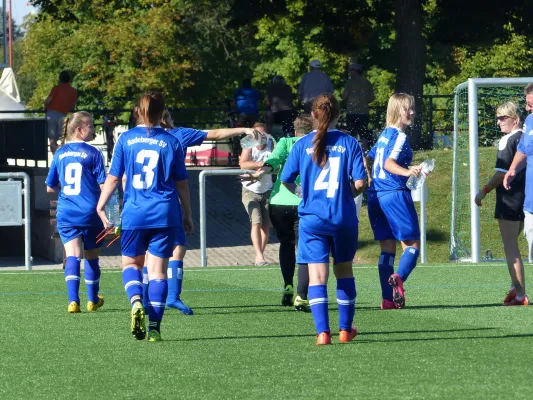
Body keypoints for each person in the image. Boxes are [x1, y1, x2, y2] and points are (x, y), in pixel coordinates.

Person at [140, 110, 260, 315]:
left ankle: (142, 298)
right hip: (166, 203)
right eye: (170, 117)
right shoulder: (176, 135)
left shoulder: (134, 137)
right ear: (164, 119)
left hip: (138, 204)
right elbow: (216, 134)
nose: (172, 120)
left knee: (146, 253)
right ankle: (172, 296)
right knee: (177, 248)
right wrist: (244, 129)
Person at [97, 91, 193, 342]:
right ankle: (155, 329)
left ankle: (137, 301)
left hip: (134, 214)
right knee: (159, 273)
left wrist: (101, 205)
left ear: (137, 112)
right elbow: (182, 183)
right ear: (163, 114)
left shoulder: (126, 139)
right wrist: (188, 213)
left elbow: (114, 177)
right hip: (165, 213)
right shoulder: (172, 142)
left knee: (131, 265)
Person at [280, 94, 367, 345]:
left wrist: (302, 194)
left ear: (313, 115)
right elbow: (360, 183)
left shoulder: (301, 144)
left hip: (312, 220)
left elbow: (285, 179)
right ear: (338, 115)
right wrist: (346, 195)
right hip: (342, 218)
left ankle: (322, 333)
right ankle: (345, 330)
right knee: (344, 272)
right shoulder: (349, 142)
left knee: (318, 278)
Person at [240, 115, 314, 312]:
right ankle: (301, 294)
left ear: (295, 132)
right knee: (304, 248)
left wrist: (259, 173)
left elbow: (272, 160)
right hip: (304, 202)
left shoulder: (285, 141)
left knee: (286, 245)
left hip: (279, 202)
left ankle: (288, 284)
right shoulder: (315, 143)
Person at [366, 93, 422, 310]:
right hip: (393, 194)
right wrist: (408, 171)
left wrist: (371, 178)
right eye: (408, 109)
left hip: (375, 195)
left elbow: (370, 157)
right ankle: (398, 278)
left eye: (413, 108)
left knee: (387, 249)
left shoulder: (384, 134)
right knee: (412, 246)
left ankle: (388, 300)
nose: (412, 113)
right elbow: (389, 163)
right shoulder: (399, 135)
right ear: (397, 110)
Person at [45, 111, 106, 314]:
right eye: (91, 126)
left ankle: (73, 301)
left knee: (72, 255)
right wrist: (111, 214)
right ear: (79, 130)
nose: (94, 129)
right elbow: (104, 184)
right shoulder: (94, 153)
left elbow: (50, 187)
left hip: (67, 211)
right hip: (90, 212)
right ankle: (92, 300)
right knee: (91, 257)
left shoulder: (59, 154)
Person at [475, 102, 527, 305]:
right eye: (497, 118)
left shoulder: (508, 139)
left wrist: (484, 190)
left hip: (510, 197)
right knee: (515, 245)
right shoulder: (527, 137)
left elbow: (502, 173)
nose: (498, 122)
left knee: (511, 248)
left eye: (503, 117)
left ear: (515, 119)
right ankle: (515, 286)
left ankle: (521, 294)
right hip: (527, 197)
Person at [239, 123, 274, 266]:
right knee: (256, 221)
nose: (261, 137)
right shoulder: (248, 146)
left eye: (263, 134)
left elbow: (277, 162)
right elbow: (243, 164)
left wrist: (267, 166)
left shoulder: (272, 144)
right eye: (257, 134)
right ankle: (259, 256)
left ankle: (260, 255)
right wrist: (262, 164)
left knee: (266, 225)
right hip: (250, 190)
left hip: (267, 189)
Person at [342, 63, 375, 152]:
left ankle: (350, 151)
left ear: (355, 71)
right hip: (364, 112)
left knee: (351, 133)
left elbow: (344, 96)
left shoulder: (349, 82)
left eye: (351, 71)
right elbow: (372, 98)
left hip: (352, 112)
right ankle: (364, 152)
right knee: (364, 133)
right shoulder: (367, 82)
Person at [44, 70, 79, 154]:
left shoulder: (56, 88)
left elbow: (47, 101)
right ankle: (61, 157)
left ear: (60, 79)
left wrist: (45, 108)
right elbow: (72, 106)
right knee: (62, 139)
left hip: (51, 114)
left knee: (52, 139)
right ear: (69, 80)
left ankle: (54, 158)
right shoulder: (73, 92)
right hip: (63, 115)